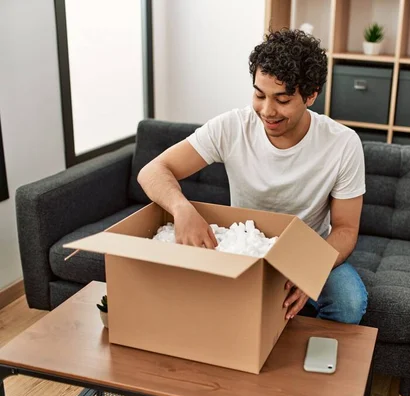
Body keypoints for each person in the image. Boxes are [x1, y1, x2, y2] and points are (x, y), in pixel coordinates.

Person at [137, 29, 367, 324]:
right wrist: (182, 209)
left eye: (282, 100)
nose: (267, 111)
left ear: (311, 95)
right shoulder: (233, 127)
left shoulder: (342, 144)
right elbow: (152, 171)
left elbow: (346, 229)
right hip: (244, 246)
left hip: (309, 250)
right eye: (259, 95)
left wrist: (310, 269)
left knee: (349, 302)